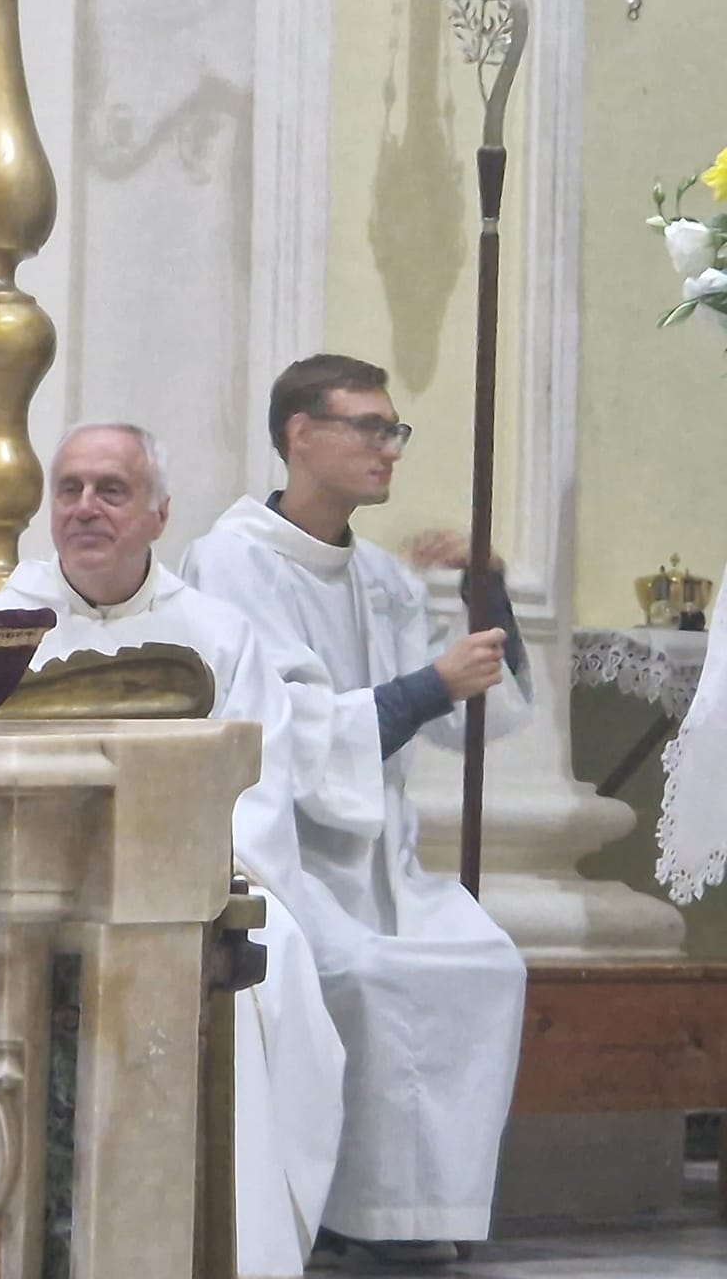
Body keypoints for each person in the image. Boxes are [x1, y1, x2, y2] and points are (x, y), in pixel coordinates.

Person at [0, 423, 345, 1279]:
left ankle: (225, 1247)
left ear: (158, 513)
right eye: (70, 489)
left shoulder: (217, 635)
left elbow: (256, 792)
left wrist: (194, 871)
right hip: (17, 888)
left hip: (189, 885)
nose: (85, 508)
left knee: (270, 969)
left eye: (111, 490)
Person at [182, 353, 529, 1265]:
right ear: (302, 434)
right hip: (284, 863)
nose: (390, 450)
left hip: (385, 865)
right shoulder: (229, 564)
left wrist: (484, 592)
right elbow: (277, 734)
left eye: (393, 431)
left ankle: (417, 1214)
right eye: (371, 429)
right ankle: (345, 1212)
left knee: (489, 961)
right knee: (367, 977)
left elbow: (461, 725)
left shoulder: (381, 577)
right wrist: (424, 687)